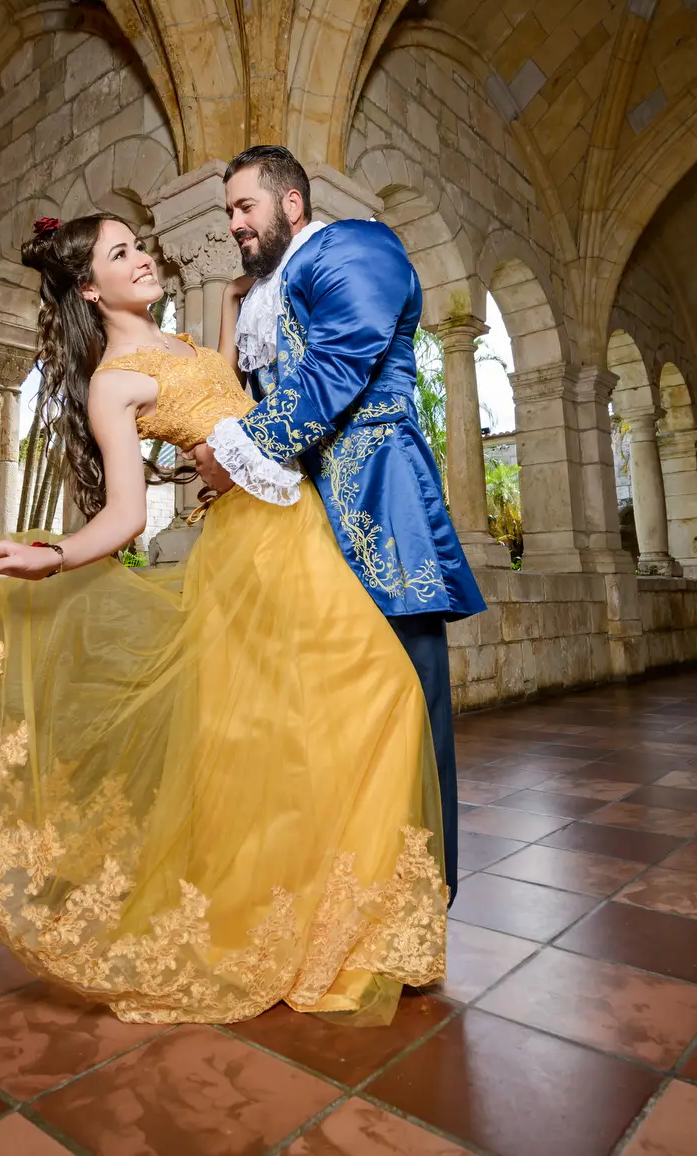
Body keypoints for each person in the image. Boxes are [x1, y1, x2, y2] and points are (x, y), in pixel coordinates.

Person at [0, 213, 447, 1027]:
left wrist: (240, 296)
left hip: (303, 529)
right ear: (91, 286)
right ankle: (294, 928)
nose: (143, 258)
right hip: (255, 559)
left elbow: (228, 394)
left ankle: (335, 925)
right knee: (358, 703)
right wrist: (48, 556)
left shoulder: (188, 345)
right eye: (121, 253)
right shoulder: (112, 382)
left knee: (329, 721)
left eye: (139, 245)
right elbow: (125, 515)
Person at [197, 146, 485, 894]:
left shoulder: (356, 247)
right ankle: (340, 898)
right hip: (301, 528)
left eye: (244, 207)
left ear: (291, 204)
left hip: (379, 510)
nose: (234, 224)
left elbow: (334, 371)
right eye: (228, 212)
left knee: (409, 717)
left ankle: (417, 899)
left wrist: (236, 454)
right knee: (322, 720)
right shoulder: (269, 292)